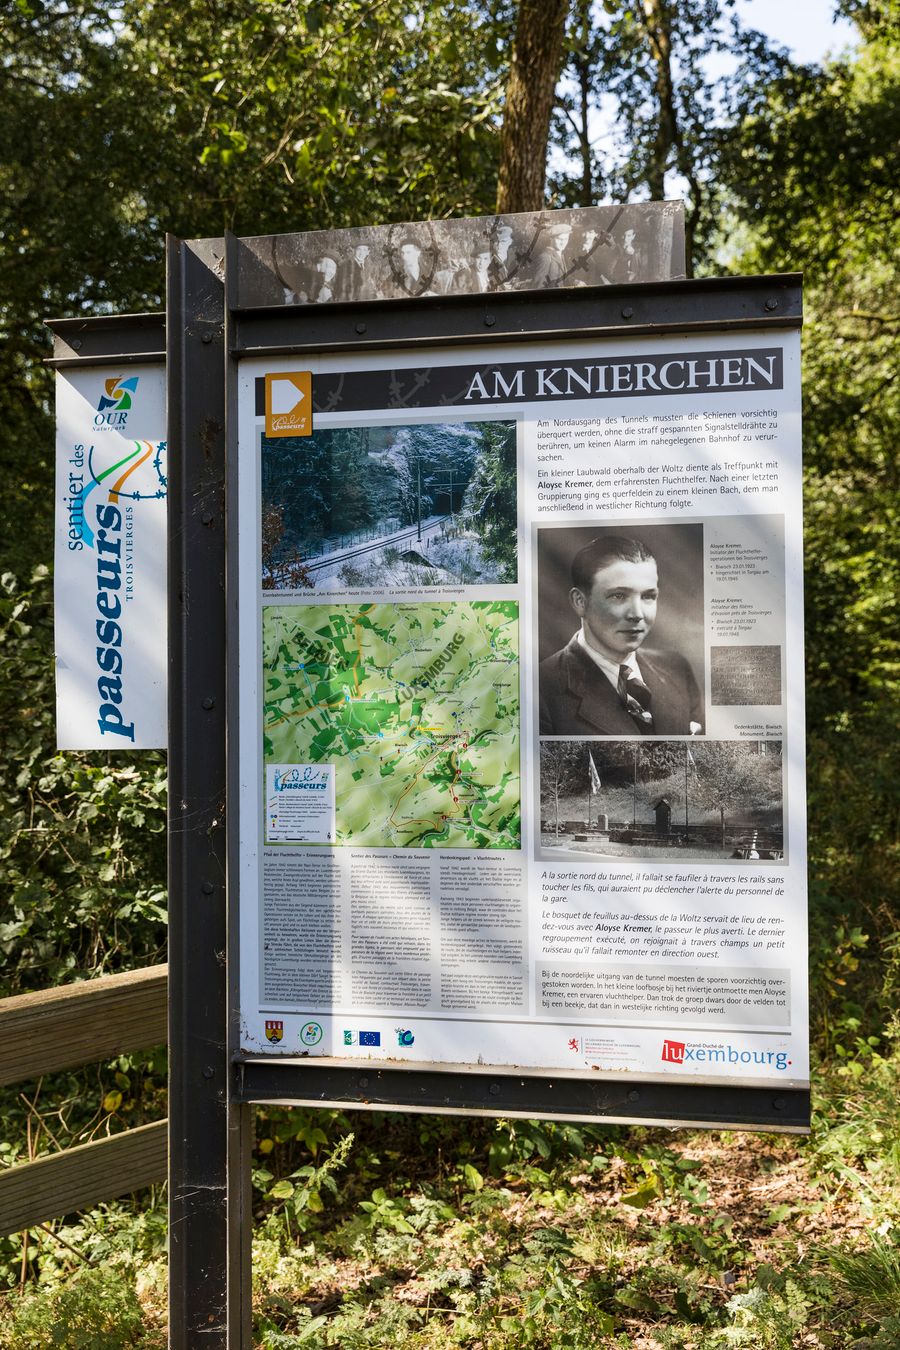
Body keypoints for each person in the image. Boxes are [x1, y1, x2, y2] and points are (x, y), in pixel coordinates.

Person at [539, 535, 703, 736]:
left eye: (648, 596)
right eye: (618, 596)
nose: (637, 614)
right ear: (580, 602)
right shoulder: (540, 689)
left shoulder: (677, 670)